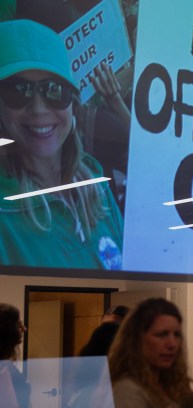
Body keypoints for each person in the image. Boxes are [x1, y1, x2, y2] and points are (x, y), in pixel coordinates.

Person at [0, 19, 124, 269]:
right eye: (17, 91)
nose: (38, 109)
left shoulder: (97, 188)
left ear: (73, 104)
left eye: (55, 90)